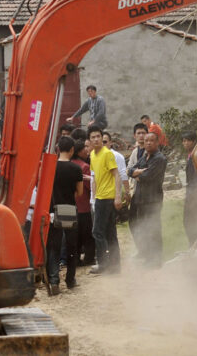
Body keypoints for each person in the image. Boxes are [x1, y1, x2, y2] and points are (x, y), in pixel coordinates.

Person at [46, 136, 83, 294]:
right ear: (72, 150)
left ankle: (54, 280)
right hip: (68, 208)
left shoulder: (50, 167)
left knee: (53, 246)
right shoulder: (76, 169)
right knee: (71, 245)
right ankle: (70, 279)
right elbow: (80, 192)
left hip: (53, 208)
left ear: (58, 148)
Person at [127, 133, 167, 268]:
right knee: (143, 227)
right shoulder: (145, 156)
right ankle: (148, 256)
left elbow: (147, 177)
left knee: (153, 229)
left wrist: (137, 174)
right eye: (146, 141)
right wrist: (138, 172)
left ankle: (156, 260)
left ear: (157, 143)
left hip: (152, 200)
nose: (148, 143)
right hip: (140, 198)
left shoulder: (159, 159)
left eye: (151, 140)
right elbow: (129, 170)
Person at [88, 125, 122, 274]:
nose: (96, 139)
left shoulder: (107, 154)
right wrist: (94, 198)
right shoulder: (92, 156)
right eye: (93, 137)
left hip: (107, 198)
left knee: (97, 232)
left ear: (102, 138)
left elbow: (117, 175)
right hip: (100, 198)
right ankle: (115, 266)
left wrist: (118, 196)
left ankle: (103, 264)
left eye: (98, 136)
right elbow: (95, 178)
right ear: (89, 140)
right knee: (110, 233)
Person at [71, 139, 96, 266]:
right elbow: (90, 186)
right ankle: (89, 258)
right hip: (84, 205)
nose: (87, 151)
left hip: (71, 205)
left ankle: (75, 259)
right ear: (79, 152)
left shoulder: (69, 164)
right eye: (84, 149)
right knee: (88, 235)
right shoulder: (84, 167)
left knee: (75, 236)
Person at [182, 131, 197, 247]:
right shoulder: (191, 153)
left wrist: (194, 195)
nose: (184, 143)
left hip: (195, 192)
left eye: (187, 140)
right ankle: (195, 245)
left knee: (190, 220)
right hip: (191, 191)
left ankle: (196, 245)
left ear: (193, 141)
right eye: (183, 141)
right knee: (189, 220)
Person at [103, 131, 130, 202]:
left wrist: (127, 192)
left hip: (114, 196)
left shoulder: (117, 156)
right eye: (101, 142)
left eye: (105, 142)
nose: (102, 144)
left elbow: (123, 174)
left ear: (110, 143)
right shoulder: (95, 156)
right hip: (100, 196)